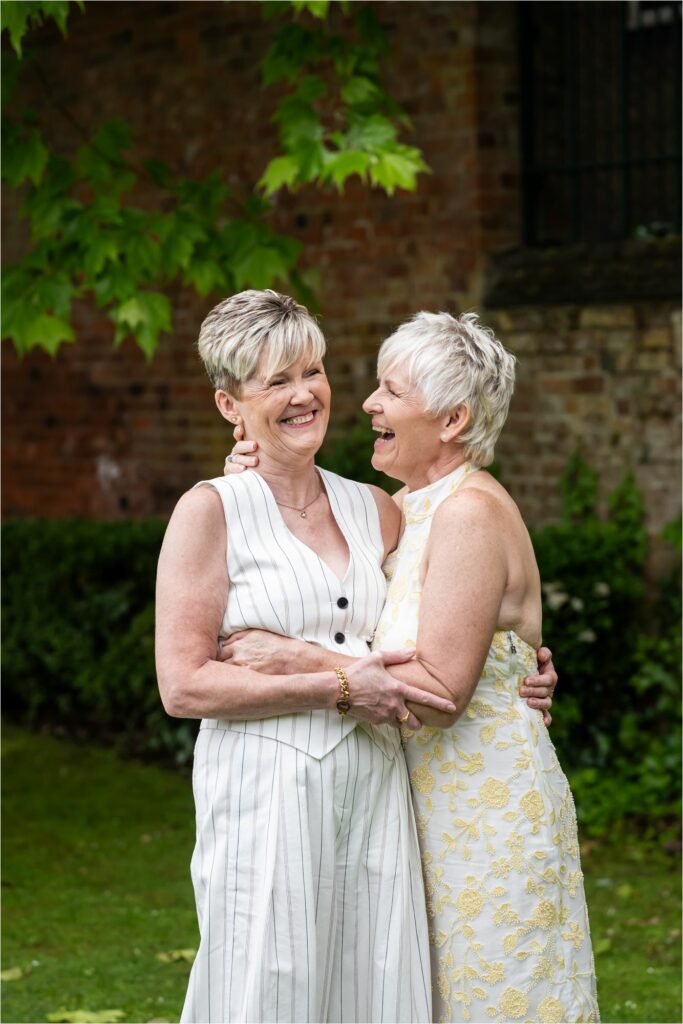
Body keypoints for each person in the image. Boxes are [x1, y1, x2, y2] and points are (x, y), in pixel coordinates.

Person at [222, 310, 598, 1023]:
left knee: (497, 998)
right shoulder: (405, 510)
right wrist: (249, 466)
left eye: (390, 392)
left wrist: (298, 657)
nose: (368, 405)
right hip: (420, 805)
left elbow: (439, 692)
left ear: (451, 419)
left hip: (483, 809)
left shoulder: (468, 514)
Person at [156, 290, 473, 1024]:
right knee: (269, 985)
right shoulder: (211, 510)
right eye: (276, 381)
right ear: (230, 405)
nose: (305, 395)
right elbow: (183, 684)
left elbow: (442, 615)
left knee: (376, 984)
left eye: (314, 370)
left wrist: (520, 660)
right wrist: (332, 687)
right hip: (263, 787)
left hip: (374, 783)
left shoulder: (376, 507)